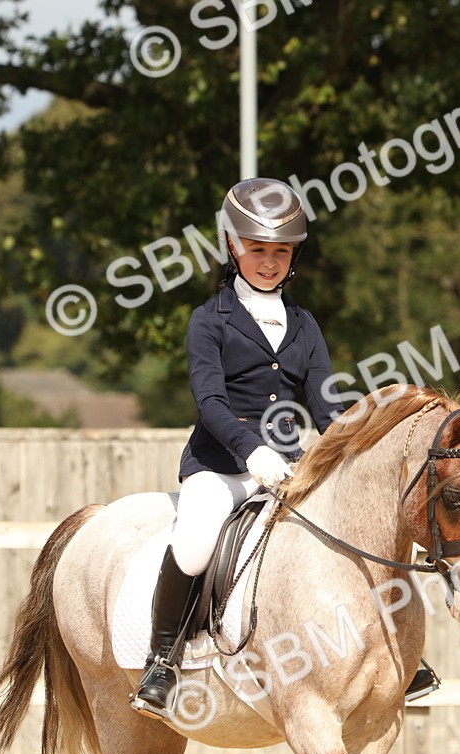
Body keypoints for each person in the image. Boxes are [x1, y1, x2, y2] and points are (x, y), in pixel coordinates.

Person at [130, 177, 343, 718]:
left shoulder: (305, 324)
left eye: (280, 252)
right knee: (197, 542)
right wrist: (254, 452)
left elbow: (324, 405)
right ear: (233, 246)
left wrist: (352, 440)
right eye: (257, 249)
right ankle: (163, 658)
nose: (269, 262)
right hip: (221, 466)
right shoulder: (209, 321)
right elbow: (210, 403)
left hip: (291, 466)